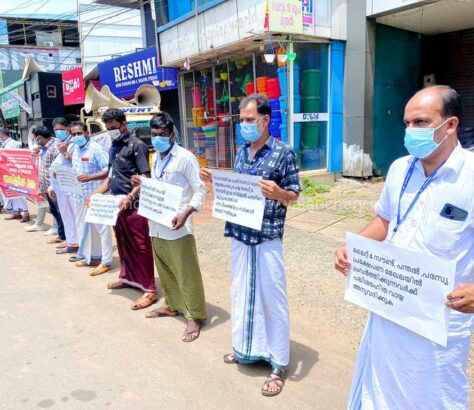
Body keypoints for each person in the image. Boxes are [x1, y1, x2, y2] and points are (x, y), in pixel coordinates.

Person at [335, 85, 474, 409]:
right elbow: (384, 221)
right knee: (382, 388)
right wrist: (352, 246)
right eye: (407, 123)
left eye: (421, 122)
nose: (410, 131)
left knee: (433, 394)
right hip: (390, 302)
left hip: (439, 320)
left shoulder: (471, 176)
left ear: (450, 125)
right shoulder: (400, 169)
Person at [200, 95, 300, 396]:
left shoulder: (284, 153)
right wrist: (216, 181)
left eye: (248, 119)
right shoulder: (242, 152)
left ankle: (278, 362)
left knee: (272, 297)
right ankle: (245, 348)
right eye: (241, 120)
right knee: (242, 292)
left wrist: (279, 192)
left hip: (267, 234)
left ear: (265, 120)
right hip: (241, 233)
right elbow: (240, 188)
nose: (243, 125)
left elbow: (294, 194)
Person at [132, 112, 207, 342]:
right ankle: (173, 305)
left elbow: (201, 189)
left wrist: (187, 211)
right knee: (165, 268)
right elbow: (161, 186)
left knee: (186, 271)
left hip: (178, 225)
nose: (157, 138)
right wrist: (144, 184)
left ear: (172, 134)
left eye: (162, 134)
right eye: (154, 135)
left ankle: (194, 315)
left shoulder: (184, 157)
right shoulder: (157, 157)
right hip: (157, 223)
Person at [88, 108, 157, 309]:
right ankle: (127, 278)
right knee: (123, 242)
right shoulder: (113, 147)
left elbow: (145, 178)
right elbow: (110, 178)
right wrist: (95, 193)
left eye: (114, 128)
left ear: (123, 124)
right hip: (116, 206)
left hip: (135, 205)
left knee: (140, 245)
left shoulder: (137, 146)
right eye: (108, 129)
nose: (111, 132)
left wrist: (130, 196)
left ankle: (149, 288)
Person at [68, 121, 112, 276]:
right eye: (73, 134)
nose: (76, 137)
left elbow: (109, 169)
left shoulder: (96, 149)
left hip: (96, 195)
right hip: (78, 196)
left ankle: (106, 261)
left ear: (86, 133)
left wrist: (91, 177)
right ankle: (92, 257)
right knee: (85, 228)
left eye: (79, 133)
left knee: (102, 229)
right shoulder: (73, 148)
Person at [49, 118, 80, 255]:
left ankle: (80, 244)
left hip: (71, 184)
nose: (58, 132)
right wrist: (51, 186)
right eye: (56, 130)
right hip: (60, 186)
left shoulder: (74, 143)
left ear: (68, 128)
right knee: (66, 215)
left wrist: (65, 152)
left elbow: (77, 162)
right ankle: (72, 242)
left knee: (75, 215)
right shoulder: (59, 143)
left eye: (61, 129)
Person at [33, 126, 66, 245]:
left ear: (40, 137)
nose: (36, 141)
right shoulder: (43, 147)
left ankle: (65, 237)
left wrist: (52, 186)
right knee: (55, 211)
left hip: (55, 187)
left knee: (61, 212)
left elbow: (57, 168)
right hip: (47, 186)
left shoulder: (56, 146)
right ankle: (61, 235)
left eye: (36, 138)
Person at [0, 127, 30, 222]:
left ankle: (25, 213)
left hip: (14, 173)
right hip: (5, 173)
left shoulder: (13, 144)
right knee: (9, 193)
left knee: (18, 192)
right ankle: (15, 212)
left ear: (1, 134)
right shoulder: (4, 144)